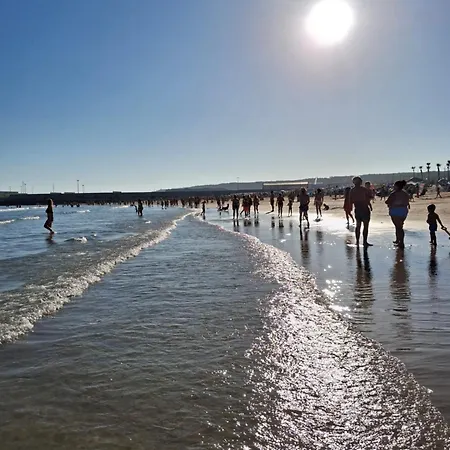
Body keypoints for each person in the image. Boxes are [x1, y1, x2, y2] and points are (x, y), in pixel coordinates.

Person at [385, 180, 410, 249]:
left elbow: (387, 201)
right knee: (399, 226)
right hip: (404, 211)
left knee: (399, 227)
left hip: (395, 211)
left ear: (397, 186)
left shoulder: (394, 194)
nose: (393, 186)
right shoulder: (405, 193)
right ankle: (398, 240)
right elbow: (407, 202)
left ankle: (401, 242)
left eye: (394, 185)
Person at [349, 177, 373, 248]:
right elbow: (369, 197)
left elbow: (350, 201)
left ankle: (357, 241)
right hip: (364, 209)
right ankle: (365, 242)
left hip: (357, 209)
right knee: (365, 226)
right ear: (361, 182)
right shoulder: (364, 190)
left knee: (358, 226)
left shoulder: (352, 190)